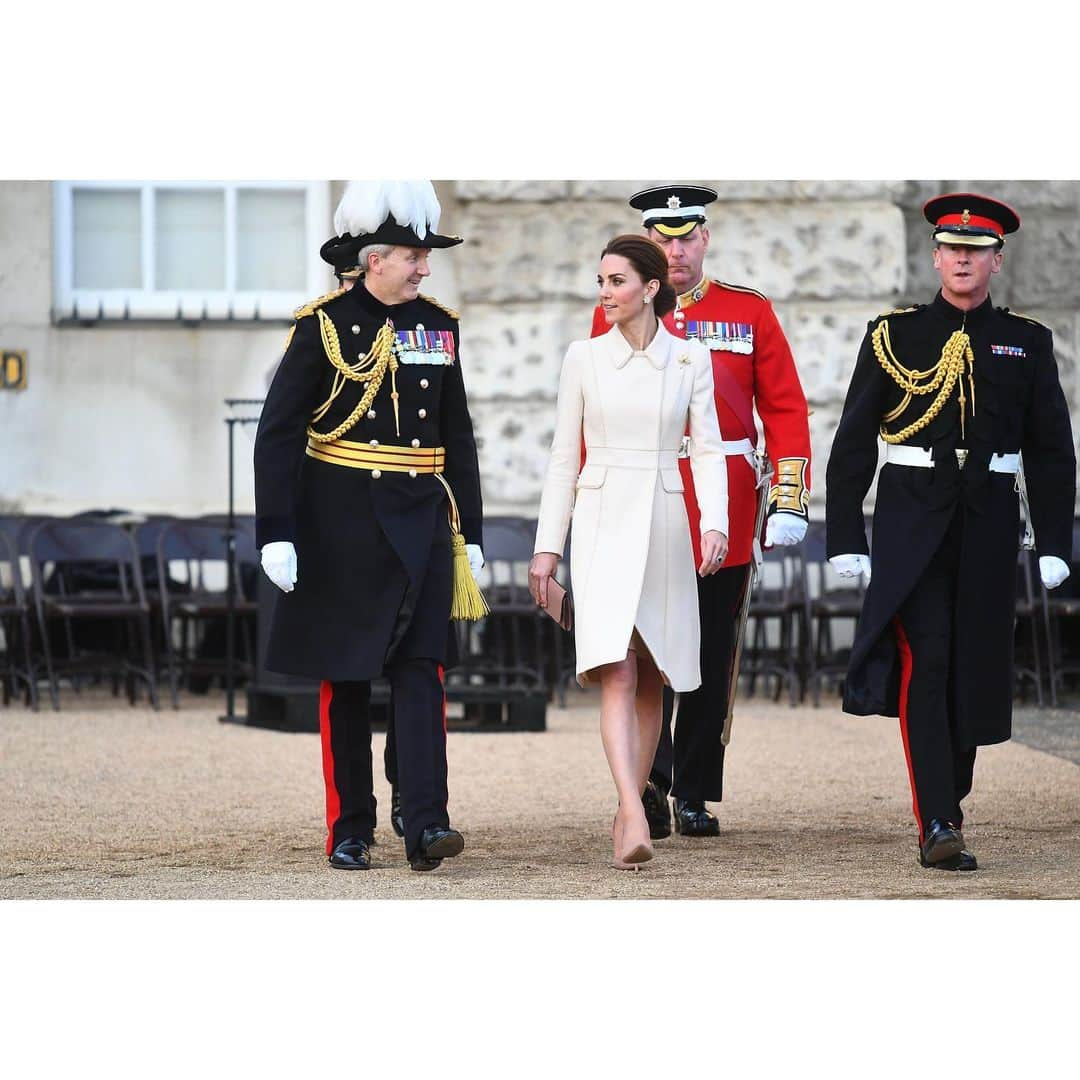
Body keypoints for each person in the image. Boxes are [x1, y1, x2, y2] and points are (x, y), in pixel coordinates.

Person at [825, 192, 1076, 871]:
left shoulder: (1026, 342)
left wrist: (1056, 541)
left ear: (995, 260)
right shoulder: (893, 336)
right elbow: (853, 443)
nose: (963, 258)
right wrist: (845, 533)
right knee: (927, 659)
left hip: (990, 520)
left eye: (977, 249)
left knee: (972, 663)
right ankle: (937, 818)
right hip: (913, 520)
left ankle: (949, 790)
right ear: (935, 256)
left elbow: (1052, 448)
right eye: (952, 248)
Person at [254, 180, 485, 872]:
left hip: (420, 523)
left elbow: (458, 433)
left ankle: (426, 821)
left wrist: (469, 529)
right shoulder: (321, 325)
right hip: (340, 525)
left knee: (423, 673)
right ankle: (350, 827)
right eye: (413, 256)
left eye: (425, 256)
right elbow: (278, 435)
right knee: (347, 681)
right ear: (373, 258)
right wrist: (277, 531)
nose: (424, 268)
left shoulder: (438, 326)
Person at [589, 186, 812, 839]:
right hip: (643, 505)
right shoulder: (615, 311)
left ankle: (693, 789)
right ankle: (648, 789)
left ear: (704, 239)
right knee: (649, 655)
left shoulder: (747, 313)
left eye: (686, 237)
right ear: (646, 243)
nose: (675, 250)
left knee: (712, 657)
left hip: (728, 507)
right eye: (663, 238)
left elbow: (787, 410)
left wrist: (789, 497)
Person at [530, 235, 729, 870]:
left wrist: (715, 524)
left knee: (651, 671)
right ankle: (634, 805)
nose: (605, 293)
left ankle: (629, 807)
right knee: (613, 664)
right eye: (600, 281)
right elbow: (565, 457)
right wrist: (546, 550)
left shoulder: (690, 359)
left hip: (667, 519)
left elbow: (708, 448)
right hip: (600, 518)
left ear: (650, 288)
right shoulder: (582, 358)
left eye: (616, 281)